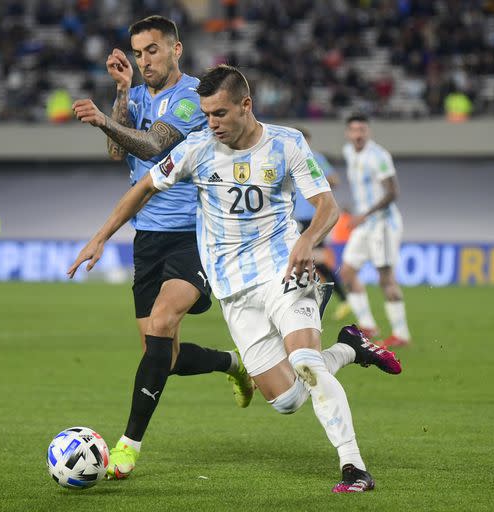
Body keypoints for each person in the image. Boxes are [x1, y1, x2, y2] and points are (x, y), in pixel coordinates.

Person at [69, 65, 402, 492]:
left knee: (304, 361)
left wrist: (307, 241)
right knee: (287, 400)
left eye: (220, 114)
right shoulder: (198, 148)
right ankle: (350, 347)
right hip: (234, 290)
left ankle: (354, 468)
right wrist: (100, 237)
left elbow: (327, 206)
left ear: (246, 105)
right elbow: (145, 187)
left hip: (284, 269)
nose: (212, 123)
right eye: (207, 114)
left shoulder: (287, 143)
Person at [71, 15, 254, 480]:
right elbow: (120, 155)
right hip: (147, 238)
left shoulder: (196, 98)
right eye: (137, 52)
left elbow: (153, 146)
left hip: (193, 233)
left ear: (175, 49)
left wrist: (100, 121)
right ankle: (234, 364)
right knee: (162, 356)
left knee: (162, 322)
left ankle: (127, 446)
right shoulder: (134, 94)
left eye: (152, 50)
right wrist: (119, 96)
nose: (143, 60)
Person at [340, 114, 412, 347]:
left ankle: (401, 335)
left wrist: (365, 214)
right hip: (364, 223)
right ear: (348, 134)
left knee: (385, 278)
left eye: (362, 129)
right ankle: (368, 326)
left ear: (368, 132)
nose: (358, 134)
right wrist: (356, 210)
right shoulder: (349, 152)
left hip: (382, 224)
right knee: (348, 272)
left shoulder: (379, 156)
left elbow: (393, 192)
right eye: (354, 130)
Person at [292, 127, 351, 321]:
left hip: (313, 216)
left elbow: (334, 180)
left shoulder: (314, 158)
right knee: (309, 260)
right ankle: (313, 299)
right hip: (296, 217)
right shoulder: (289, 158)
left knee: (313, 259)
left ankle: (340, 298)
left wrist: (315, 180)